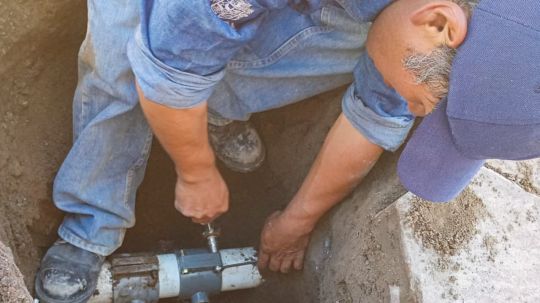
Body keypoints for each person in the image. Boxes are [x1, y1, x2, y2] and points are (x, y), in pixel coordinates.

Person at [34, 0, 540, 302]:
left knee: (373, 48)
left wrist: (297, 220)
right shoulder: (431, 31)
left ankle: (213, 110)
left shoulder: (467, 25)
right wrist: (195, 172)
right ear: (439, 23)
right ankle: (90, 226)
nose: (414, 114)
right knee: (127, 65)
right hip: (177, 18)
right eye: (421, 104)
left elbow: (375, 111)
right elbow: (169, 61)